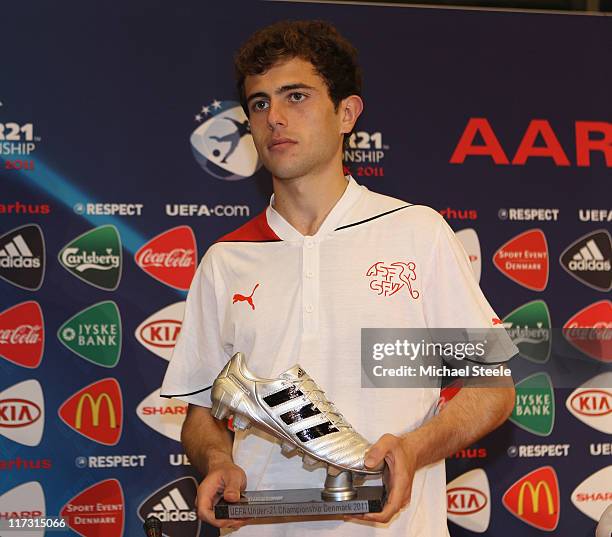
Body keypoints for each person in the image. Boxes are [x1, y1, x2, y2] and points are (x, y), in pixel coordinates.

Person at [161, 19, 517, 536]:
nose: (274, 118)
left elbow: (493, 388)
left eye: (295, 96)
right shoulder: (226, 259)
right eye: (259, 104)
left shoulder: (416, 232)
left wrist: (412, 450)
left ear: (346, 114)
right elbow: (201, 413)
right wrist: (217, 461)